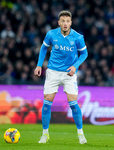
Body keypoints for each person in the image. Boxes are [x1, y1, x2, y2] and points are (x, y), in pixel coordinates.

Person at [34, 10, 88, 144]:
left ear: (71, 23)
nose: (65, 23)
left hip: (69, 73)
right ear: (59, 22)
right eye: (63, 21)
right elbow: (43, 48)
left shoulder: (77, 37)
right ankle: (45, 134)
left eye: (67, 21)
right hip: (52, 72)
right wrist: (39, 65)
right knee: (46, 104)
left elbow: (84, 54)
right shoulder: (51, 34)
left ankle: (80, 134)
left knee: (74, 104)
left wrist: (75, 66)